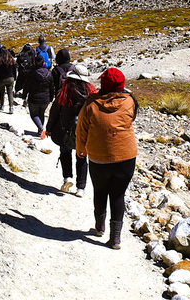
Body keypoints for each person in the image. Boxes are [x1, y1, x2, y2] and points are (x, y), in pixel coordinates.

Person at [76, 68, 138, 249]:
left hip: (98, 157)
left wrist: (81, 149)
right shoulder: (130, 102)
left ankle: (99, 227)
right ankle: (116, 238)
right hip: (126, 156)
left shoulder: (90, 104)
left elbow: (81, 130)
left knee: (100, 191)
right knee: (118, 195)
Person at [46, 64, 96, 197]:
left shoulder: (64, 92)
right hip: (83, 132)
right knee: (81, 158)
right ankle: (81, 188)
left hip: (64, 131)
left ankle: (67, 178)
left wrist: (49, 129)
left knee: (65, 153)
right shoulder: (90, 96)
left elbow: (54, 112)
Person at [24, 55, 54, 138]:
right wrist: (51, 97)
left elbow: (27, 85)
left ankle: (41, 129)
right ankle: (40, 132)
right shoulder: (49, 74)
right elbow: (52, 87)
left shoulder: (32, 73)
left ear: (34, 63)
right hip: (45, 98)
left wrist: (24, 95)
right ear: (44, 63)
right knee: (41, 114)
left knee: (34, 114)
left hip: (34, 97)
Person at [0, 47, 17, 113]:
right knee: (10, 92)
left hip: (1, 79)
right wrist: (15, 77)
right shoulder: (11, 59)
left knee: (1, 92)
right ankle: (11, 107)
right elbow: (15, 69)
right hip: (10, 77)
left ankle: (2, 106)